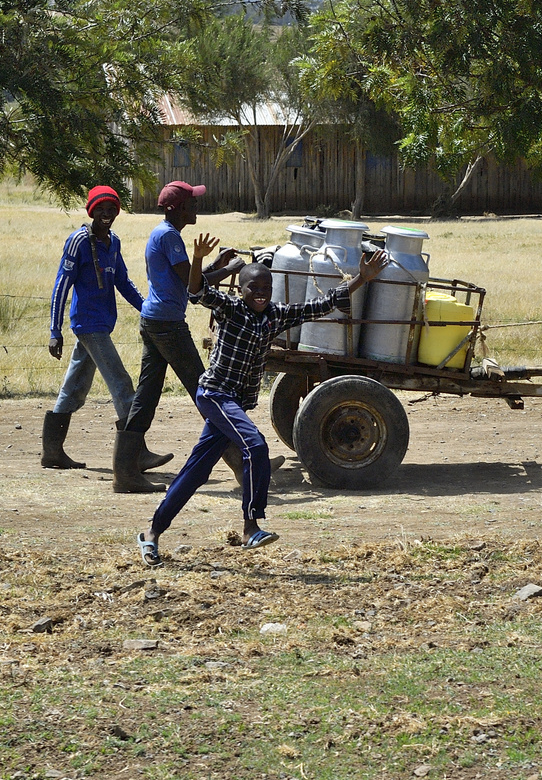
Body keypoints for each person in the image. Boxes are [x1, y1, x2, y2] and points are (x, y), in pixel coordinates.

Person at [136, 234, 387, 567]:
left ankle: (150, 534)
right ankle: (250, 526)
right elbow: (196, 291)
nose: (260, 294)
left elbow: (322, 304)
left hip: (234, 403)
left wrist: (361, 279)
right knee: (255, 447)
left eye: (266, 289)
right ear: (241, 290)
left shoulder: (275, 316)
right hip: (215, 394)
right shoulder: (229, 308)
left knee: (194, 473)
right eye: (253, 288)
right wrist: (197, 260)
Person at [115, 180, 242, 493]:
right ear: (179, 208)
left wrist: (214, 264)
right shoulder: (170, 236)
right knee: (204, 389)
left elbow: (188, 275)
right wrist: (229, 269)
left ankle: (125, 471)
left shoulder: (164, 233)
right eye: (192, 203)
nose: (196, 207)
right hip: (168, 325)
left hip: (155, 321)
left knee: (147, 395)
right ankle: (241, 459)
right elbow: (192, 284)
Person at [42, 186, 145, 470]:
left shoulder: (114, 242)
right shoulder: (78, 241)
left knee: (74, 388)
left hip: (102, 324)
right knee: (122, 384)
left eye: (112, 209)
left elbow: (123, 282)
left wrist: (148, 309)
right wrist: (55, 330)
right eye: (100, 209)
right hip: (88, 325)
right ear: (91, 211)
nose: (107, 214)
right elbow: (61, 285)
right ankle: (136, 453)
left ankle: (52, 452)